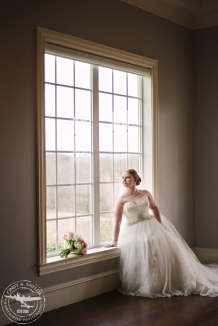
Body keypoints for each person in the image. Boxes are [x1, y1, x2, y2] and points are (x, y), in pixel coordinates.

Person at [106, 168, 218, 298]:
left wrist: (160, 225)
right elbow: (117, 222)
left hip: (150, 224)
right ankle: (150, 283)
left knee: (158, 241)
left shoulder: (145, 193)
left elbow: (154, 208)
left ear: (135, 179)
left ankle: (169, 280)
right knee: (144, 243)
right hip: (133, 229)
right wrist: (114, 240)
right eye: (122, 178)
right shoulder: (121, 199)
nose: (124, 180)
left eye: (127, 177)